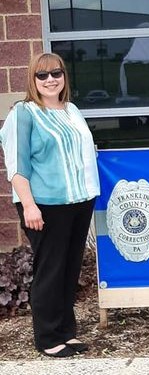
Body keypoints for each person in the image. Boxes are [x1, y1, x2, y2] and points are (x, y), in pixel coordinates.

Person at [0, 53, 100, 357]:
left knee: (69, 269)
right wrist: (29, 205)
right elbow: (17, 165)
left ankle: (65, 332)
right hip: (45, 205)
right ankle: (47, 339)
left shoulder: (72, 110)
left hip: (79, 201)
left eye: (56, 73)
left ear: (64, 77)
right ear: (33, 79)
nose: (50, 79)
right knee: (51, 270)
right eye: (42, 75)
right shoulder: (25, 113)